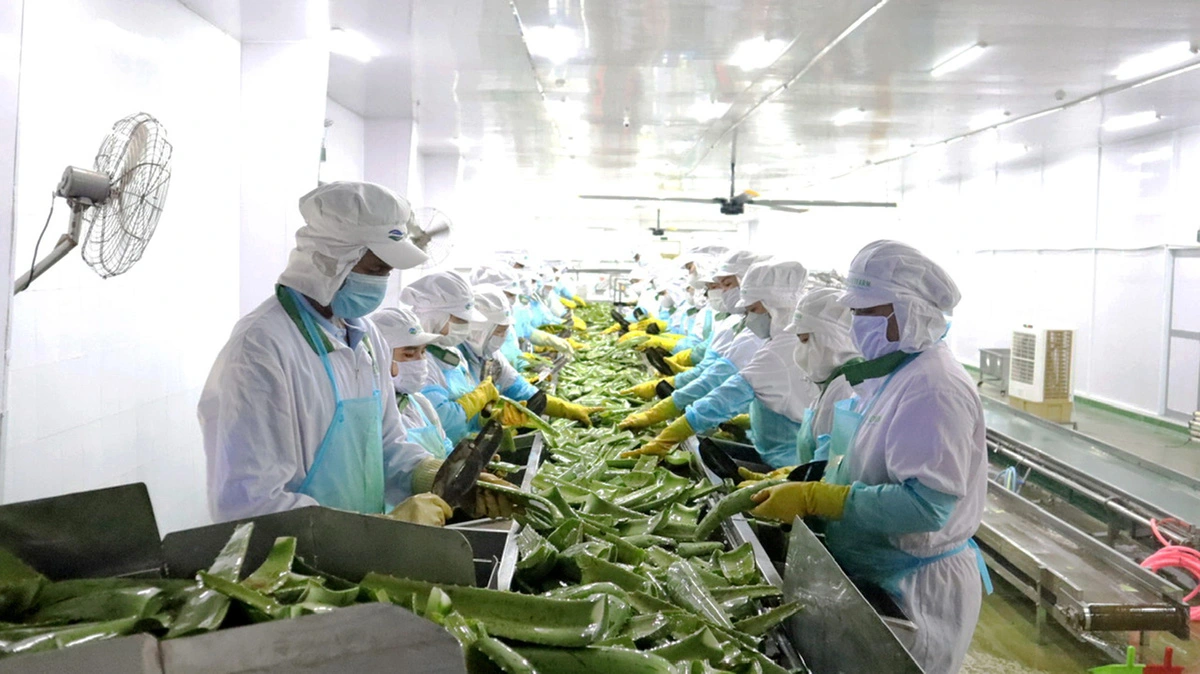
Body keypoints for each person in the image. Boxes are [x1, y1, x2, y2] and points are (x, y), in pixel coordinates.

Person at [749, 240, 990, 674]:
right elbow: (860, 459)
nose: (856, 324)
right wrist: (802, 480)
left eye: (866, 312)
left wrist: (819, 499)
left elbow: (927, 506)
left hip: (916, 588)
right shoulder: (897, 376)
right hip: (880, 571)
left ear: (909, 311)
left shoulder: (934, 386)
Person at [200, 181, 451, 525]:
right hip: (292, 564)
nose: (383, 281)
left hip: (358, 554)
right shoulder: (261, 347)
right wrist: (375, 530)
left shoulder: (367, 337)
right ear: (331, 261)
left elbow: (386, 443)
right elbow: (251, 501)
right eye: (376, 270)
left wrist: (434, 475)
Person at [621, 260, 817, 467]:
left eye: (753, 309)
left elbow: (725, 395)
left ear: (774, 306)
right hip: (777, 449)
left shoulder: (781, 348)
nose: (750, 317)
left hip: (786, 461)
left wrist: (665, 434)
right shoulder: (781, 339)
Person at [616, 250, 770, 429]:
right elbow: (708, 355)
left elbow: (719, 376)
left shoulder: (756, 330)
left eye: (723, 285)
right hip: (726, 408)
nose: (717, 292)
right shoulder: (735, 319)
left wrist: (674, 402)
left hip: (733, 409)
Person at [459, 284, 600, 427]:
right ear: (480, 330)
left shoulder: (489, 354)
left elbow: (519, 389)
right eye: (499, 331)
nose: (502, 337)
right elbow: (449, 419)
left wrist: (567, 410)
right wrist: (489, 419)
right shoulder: (452, 360)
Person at [399, 271, 495, 445]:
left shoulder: (452, 353)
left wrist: (486, 415)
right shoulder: (415, 363)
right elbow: (442, 420)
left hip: (458, 450)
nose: (465, 327)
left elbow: (465, 406)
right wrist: (479, 397)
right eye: (459, 320)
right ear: (434, 317)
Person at [786, 287, 862, 465]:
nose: (799, 350)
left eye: (805, 340)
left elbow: (827, 464)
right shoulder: (832, 382)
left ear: (830, 340)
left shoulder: (847, 388)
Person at [371, 306, 455, 460]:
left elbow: (447, 451)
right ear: (382, 358)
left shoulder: (420, 404)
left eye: (423, 351)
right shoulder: (373, 414)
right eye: (409, 354)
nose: (421, 361)